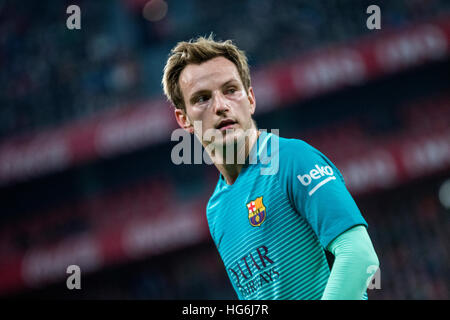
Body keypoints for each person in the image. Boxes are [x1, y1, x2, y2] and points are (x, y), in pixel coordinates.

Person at [162, 35, 379, 300]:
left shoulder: (292, 159)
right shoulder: (216, 210)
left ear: (250, 99)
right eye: (202, 98)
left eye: (231, 90)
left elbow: (359, 256)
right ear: (183, 119)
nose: (221, 106)